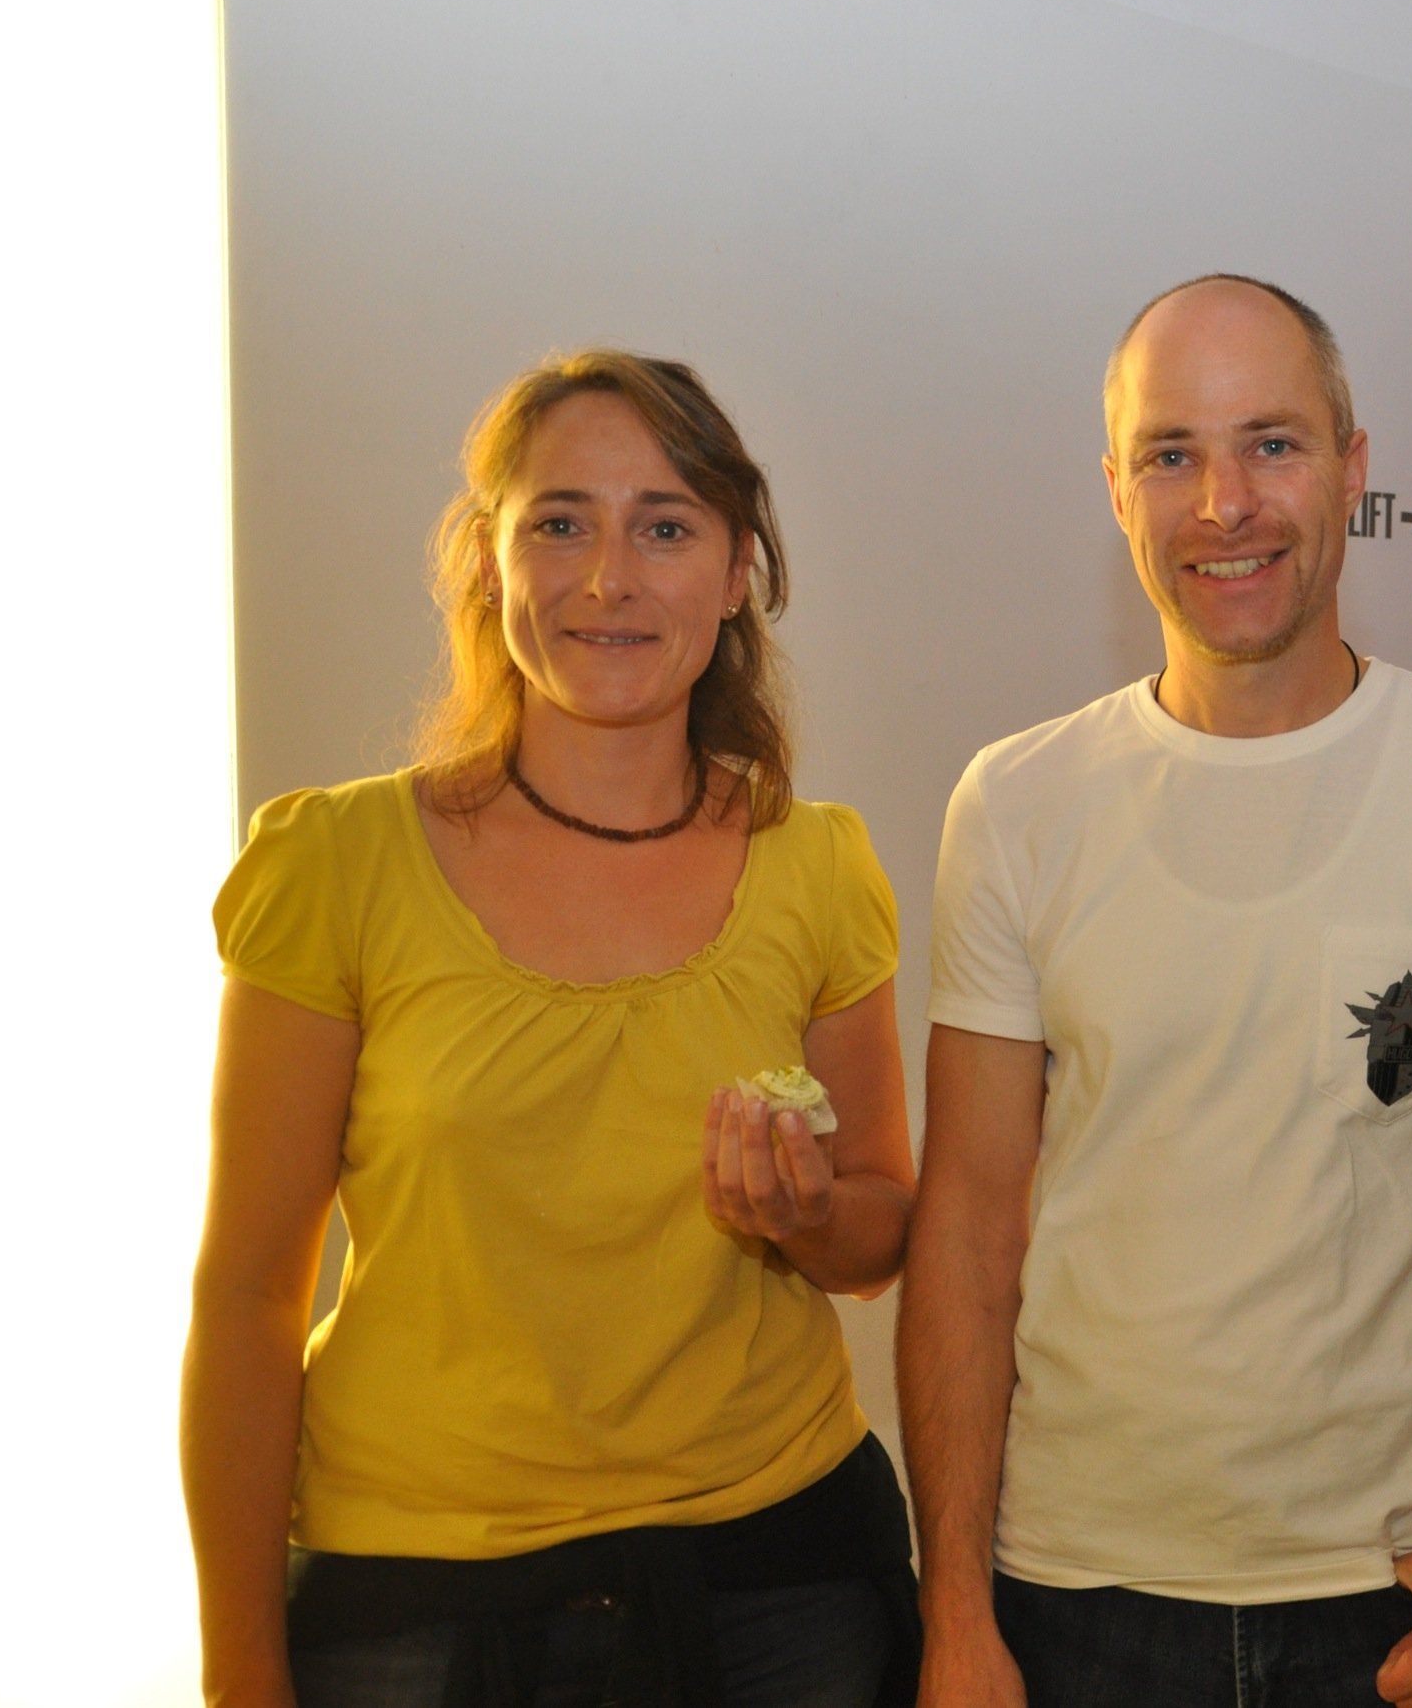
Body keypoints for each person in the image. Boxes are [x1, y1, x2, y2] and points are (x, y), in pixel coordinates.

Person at [897, 275, 1412, 1708]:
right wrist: (956, 1617)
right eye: (1171, 454)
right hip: (1080, 1596)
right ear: (1117, 490)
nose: (1224, 502)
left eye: (1272, 444)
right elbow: (969, 1223)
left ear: (1353, 468)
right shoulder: (1018, 804)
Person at [182, 351, 921, 1707]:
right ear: (487, 559)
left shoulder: (817, 864)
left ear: (739, 570)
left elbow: (881, 1234)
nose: (609, 580)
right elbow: (246, 1296)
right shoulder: (335, 862)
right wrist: (239, 1671)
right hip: (418, 1608)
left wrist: (807, 1217)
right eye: (562, 523)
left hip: (783, 1587)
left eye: (665, 528)